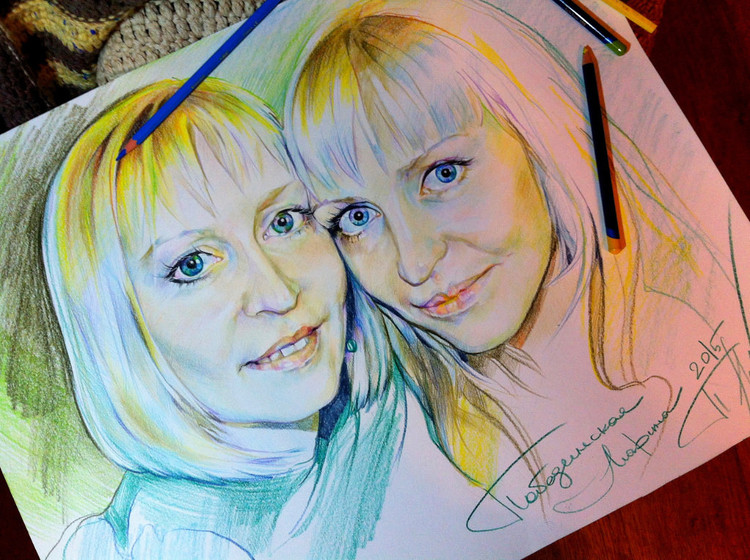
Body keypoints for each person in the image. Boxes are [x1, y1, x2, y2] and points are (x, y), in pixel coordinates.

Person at [286, 2, 743, 488]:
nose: (415, 264)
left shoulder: (698, 311)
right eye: (356, 218)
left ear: (536, 135)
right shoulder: (378, 456)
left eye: (444, 174)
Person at [43, 78, 405, 559]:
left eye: (284, 221)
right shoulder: (167, 544)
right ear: (116, 330)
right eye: (194, 265)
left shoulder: (390, 429)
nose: (278, 293)